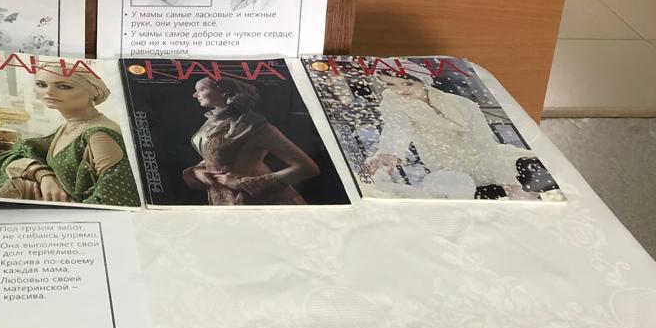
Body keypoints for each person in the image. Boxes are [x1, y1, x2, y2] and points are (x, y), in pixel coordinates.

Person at [0, 64, 140, 207]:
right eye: (41, 85)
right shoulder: (68, 127)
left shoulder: (100, 136)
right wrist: (44, 175)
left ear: (92, 92)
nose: (48, 92)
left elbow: (116, 199)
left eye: (64, 86)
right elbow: (23, 151)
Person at [362, 69, 537, 200]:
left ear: (423, 81)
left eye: (408, 84)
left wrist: (510, 185)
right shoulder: (394, 103)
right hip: (448, 168)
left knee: (530, 167)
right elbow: (397, 127)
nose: (400, 90)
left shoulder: (465, 105)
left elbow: (485, 145)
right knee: (461, 185)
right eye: (391, 84)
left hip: (485, 162)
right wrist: (390, 155)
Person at [183, 76, 320, 206]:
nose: (195, 95)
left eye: (201, 90)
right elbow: (216, 156)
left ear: (224, 92)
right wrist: (198, 171)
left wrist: (241, 183)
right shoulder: (211, 123)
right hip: (223, 200)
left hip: (262, 202)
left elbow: (307, 167)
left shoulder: (254, 125)